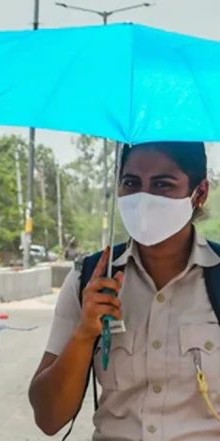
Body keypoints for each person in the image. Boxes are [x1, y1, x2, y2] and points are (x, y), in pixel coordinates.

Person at [29, 141, 220, 440]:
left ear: (200, 193)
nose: (143, 198)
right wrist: (84, 335)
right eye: (131, 183)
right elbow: (48, 417)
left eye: (162, 184)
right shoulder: (88, 279)